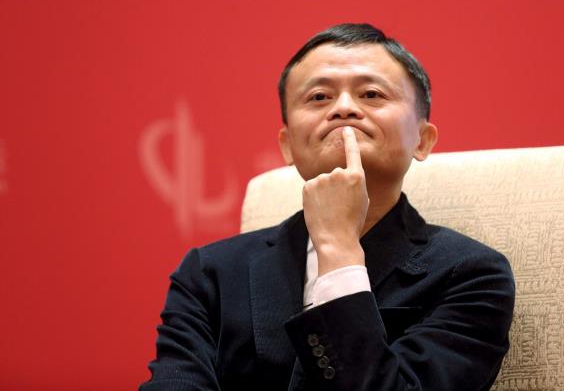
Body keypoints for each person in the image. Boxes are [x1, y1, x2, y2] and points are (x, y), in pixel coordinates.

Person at [141, 23, 515, 390]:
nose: (344, 108)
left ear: (422, 140)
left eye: (371, 94)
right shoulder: (209, 273)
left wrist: (338, 249)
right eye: (319, 97)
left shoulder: (471, 275)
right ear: (287, 145)